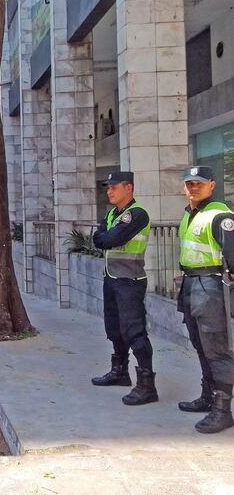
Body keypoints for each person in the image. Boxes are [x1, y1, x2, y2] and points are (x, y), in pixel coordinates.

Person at [176, 165, 234, 433]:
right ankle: (208, 396)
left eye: (199, 183)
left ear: (212, 185)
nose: (193, 187)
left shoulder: (219, 215)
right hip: (191, 284)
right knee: (200, 345)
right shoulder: (190, 214)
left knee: (216, 348)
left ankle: (223, 410)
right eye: (189, 183)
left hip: (211, 286)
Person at [91, 171, 157, 405]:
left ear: (128, 188)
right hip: (112, 278)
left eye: (114, 187)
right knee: (114, 327)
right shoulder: (112, 214)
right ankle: (120, 371)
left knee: (134, 330)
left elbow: (109, 240)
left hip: (129, 280)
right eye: (108, 187)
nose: (109, 191)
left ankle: (147, 385)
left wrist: (104, 237)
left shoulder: (137, 215)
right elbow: (97, 238)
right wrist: (104, 237)